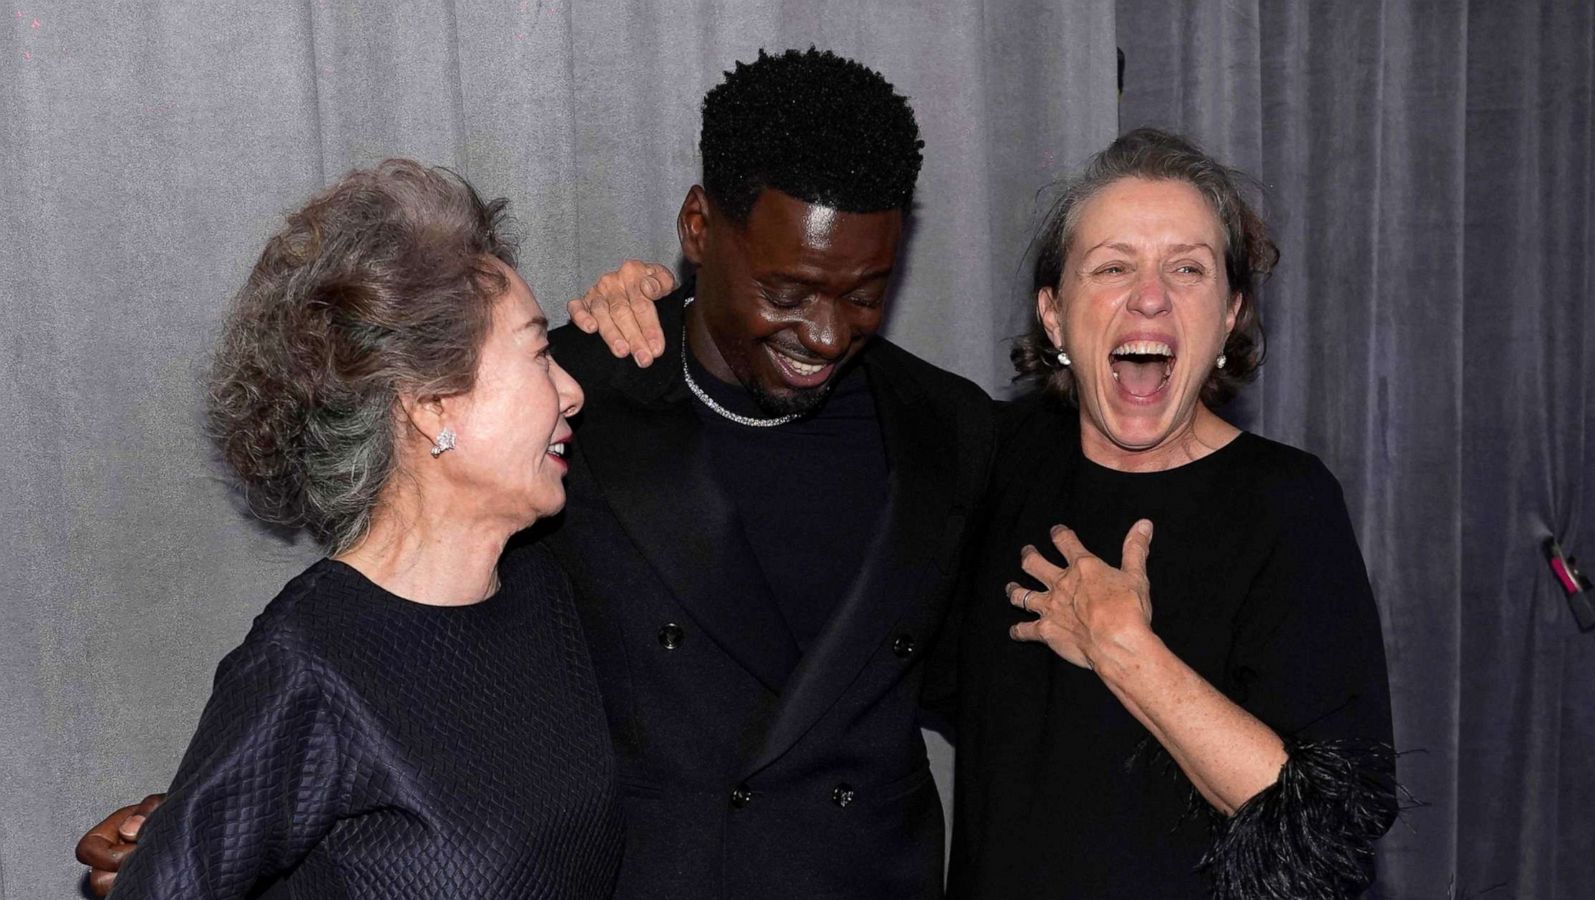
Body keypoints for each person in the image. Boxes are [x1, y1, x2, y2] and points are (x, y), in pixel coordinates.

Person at [81, 50, 993, 900]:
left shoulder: (948, 432)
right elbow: (388, 685)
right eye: (788, 294)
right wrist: (239, 819)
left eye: (865, 294)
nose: (828, 334)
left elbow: (1001, 690)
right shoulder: (563, 421)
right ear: (700, 229)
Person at [96, 160, 622, 898]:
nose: (572, 390)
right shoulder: (310, 664)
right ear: (432, 404)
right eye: (540, 352)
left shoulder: (543, 590)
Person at [942, 128, 1396, 899]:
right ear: (1053, 317)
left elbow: (1327, 830)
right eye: (1113, 267)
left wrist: (1127, 649)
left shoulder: (1286, 503)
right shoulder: (990, 459)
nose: (1149, 296)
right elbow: (809, 361)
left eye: (1187, 269)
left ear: (1229, 316)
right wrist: (671, 309)